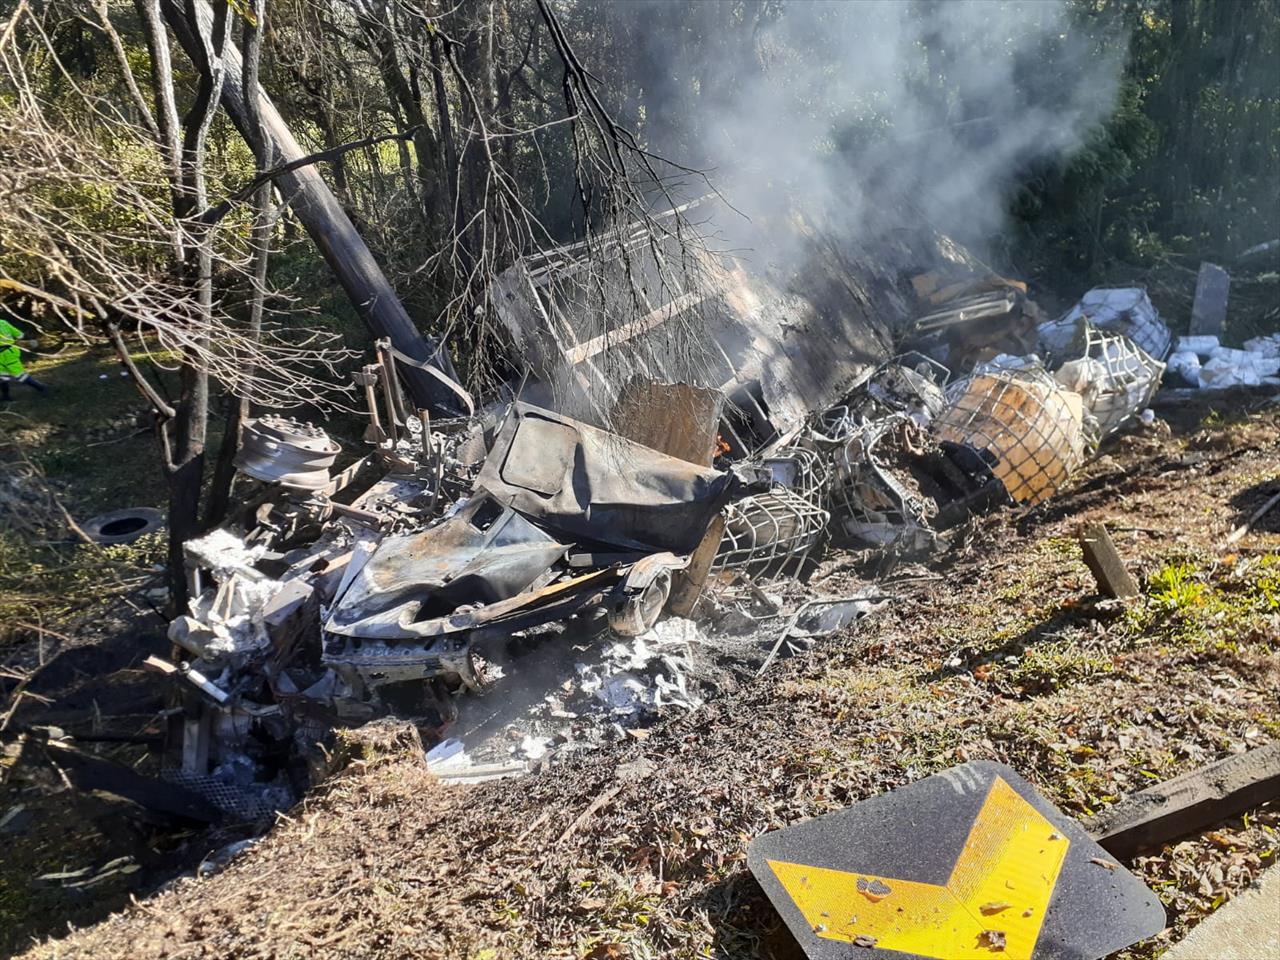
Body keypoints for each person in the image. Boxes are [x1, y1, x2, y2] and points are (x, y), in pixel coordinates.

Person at [0, 316, 48, 401]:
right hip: (9, 352)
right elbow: (20, 335)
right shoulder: (3, 322)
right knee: (2, 376)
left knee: (20, 375)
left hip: (8, 355)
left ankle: (41, 388)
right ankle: (6, 396)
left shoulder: (3, 323)